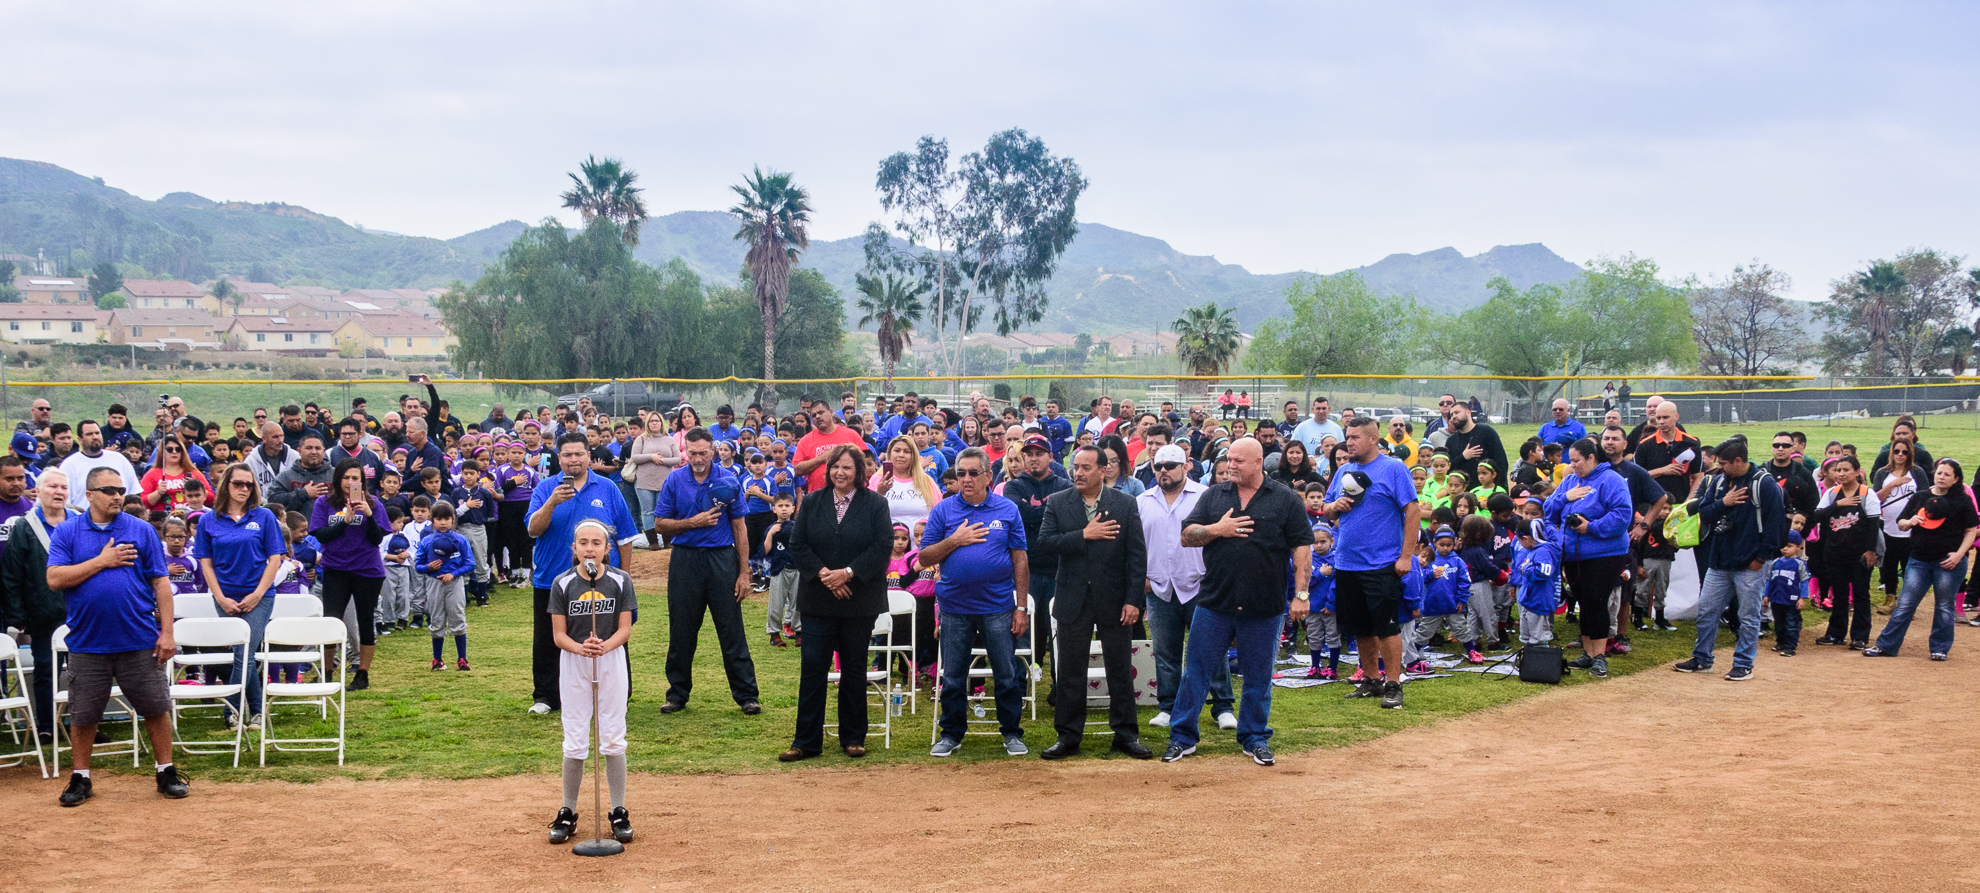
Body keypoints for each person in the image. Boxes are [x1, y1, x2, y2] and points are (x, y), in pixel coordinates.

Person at [1167, 438, 1313, 766]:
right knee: (1195, 672)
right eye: (1229, 459)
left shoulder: (1286, 499)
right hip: (1215, 601)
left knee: (1258, 677)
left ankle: (1254, 737)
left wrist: (1301, 594)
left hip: (1264, 605)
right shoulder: (1214, 495)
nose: (1230, 465)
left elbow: (1302, 548)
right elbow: (1187, 537)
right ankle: (1182, 737)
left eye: (1238, 461)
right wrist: (1218, 529)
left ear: (1259, 462)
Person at [46, 467, 186, 806]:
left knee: (155, 707)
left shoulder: (141, 529)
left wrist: (167, 632)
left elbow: (160, 582)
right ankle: (81, 777)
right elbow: (54, 579)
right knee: (84, 714)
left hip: (139, 637)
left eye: (120, 490)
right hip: (87, 641)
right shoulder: (68, 531)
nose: (117, 496)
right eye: (108, 490)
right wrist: (102, 561)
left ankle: (166, 771)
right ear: (89, 495)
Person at [1036, 445, 1151, 760]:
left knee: (1120, 669)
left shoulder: (1125, 504)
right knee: (1070, 671)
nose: (1078, 473)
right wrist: (1083, 535)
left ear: (1103, 470)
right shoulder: (1058, 502)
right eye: (1076, 467)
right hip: (1072, 598)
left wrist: (1133, 600)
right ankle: (1068, 737)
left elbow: (1137, 556)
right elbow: (1045, 544)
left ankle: (1126, 735)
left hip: (1115, 600)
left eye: (1086, 467)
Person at [781, 444, 893, 761]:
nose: (839, 472)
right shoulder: (813, 501)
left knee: (854, 669)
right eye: (835, 467)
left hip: (859, 600)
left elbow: (882, 545)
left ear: (859, 471)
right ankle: (806, 741)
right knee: (813, 667)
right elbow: (798, 544)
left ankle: (853, 737)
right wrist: (825, 575)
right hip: (818, 599)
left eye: (846, 467)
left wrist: (848, 574)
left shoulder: (875, 504)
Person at [922, 448, 1032, 758]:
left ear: (988, 476)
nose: (967, 479)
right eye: (961, 473)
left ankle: (1011, 733)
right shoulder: (943, 510)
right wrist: (955, 540)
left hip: (998, 607)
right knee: (953, 677)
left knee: (1006, 674)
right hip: (954, 607)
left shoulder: (1007, 509)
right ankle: (951, 734)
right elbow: (925, 557)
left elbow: (1020, 560)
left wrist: (1021, 607)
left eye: (973, 473)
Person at [526, 432, 641, 715]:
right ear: (559, 458)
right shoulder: (545, 488)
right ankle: (546, 696)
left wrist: (623, 579)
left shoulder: (608, 488)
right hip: (552, 579)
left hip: (601, 581)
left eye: (579, 454)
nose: (573, 459)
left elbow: (625, 537)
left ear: (589, 456)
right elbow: (533, 529)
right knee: (548, 639)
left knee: (608, 635)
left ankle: (617, 694)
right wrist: (552, 503)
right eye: (567, 455)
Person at [652, 428, 760, 715]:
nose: (698, 459)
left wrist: (743, 572)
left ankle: (747, 695)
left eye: (703, 453)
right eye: (693, 453)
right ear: (685, 452)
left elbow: (739, 527)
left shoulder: (728, 480)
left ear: (713, 450)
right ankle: (677, 694)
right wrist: (693, 522)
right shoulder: (675, 479)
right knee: (682, 629)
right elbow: (660, 523)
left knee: (731, 629)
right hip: (685, 559)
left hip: (721, 558)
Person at [545, 520, 638, 846]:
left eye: (596, 543)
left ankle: (618, 811)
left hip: (610, 659)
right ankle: (568, 811)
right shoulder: (562, 583)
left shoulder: (620, 580)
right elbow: (558, 635)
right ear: (574, 548)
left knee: (613, 735)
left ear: (606, 548)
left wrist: (605, 646)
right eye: (583, 542)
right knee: (574, 738)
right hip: (575, 661)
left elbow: (625, 628)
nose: (589, 548)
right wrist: (581, 647)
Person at [1324, 416, 1424, 710]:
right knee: (1361, 627)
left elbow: (1413, 511)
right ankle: (1371, 680)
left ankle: (1394, 684)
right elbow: (1327, 510)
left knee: (1386, 627)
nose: (1349, 442)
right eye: (1347, 437)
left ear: (1372, 438)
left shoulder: (1393, 468)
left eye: (1354, 437)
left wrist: (1406, 556)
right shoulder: (1344, 470)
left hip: (1381, 562)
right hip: (1347, 562)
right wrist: (1334, 506)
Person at [1136, 444, 1236, 729]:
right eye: (1158, 466)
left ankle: (1223, 707)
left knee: (1212, 648)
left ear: (1187, 466)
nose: (1163, 471)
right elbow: (1136, 544)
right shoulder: (1142, 501)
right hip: (1159, 587)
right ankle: (1168, 707)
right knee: (1165, 652)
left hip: (1200, 585)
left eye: (1170, 465)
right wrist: (1142, 576)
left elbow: (1221, 537)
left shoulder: (1205, 496)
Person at [1674, 439, 1785, 681]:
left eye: (1724, 463)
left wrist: (1761, 558)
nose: (1719, 467)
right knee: (1706, 611)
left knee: (1748, 616)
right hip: (1719, 560)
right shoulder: (1719, 482)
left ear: (1738, 460)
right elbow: (1703, 514)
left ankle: (1744, 664)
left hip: (1750, 562)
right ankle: (1702, 658)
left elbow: (1776, 524)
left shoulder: (1764, 484)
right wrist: (1723, 503)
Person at [193, 463, 289, 727]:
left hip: (260, 596)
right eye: (238, 483)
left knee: (244, 652)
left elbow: (275, 559)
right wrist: (220, 598)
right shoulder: (208, 520)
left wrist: (257, 595)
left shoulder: (264, 517)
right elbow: (206, 563)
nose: (244, 488)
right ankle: (257, 711)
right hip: (225, 596)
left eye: (249, 484)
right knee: (243, 654)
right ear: (226, 485)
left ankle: (231, 711)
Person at [1543, 438, 1635, 678]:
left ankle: (1599, 655)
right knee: (1583, 600)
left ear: (1591, 458)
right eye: (1570, 461)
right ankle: (1588, 652)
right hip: (1573, 553)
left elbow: (1622, 515)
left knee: (1596, 600)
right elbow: (1548, 510)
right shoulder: (1569, 481)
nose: (1572, 465)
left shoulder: (1612, 480)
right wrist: (1565, 497)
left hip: (1605, 553)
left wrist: (1591, 527)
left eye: (1576, 461)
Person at [1870, 460, 1978, 659]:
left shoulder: (1962, 500)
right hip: (1919, 560)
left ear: (1956, 479)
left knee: (1944, 607)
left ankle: (1939, 649)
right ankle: (1886, 646)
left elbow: (1971, 531)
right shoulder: (1920, 497)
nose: (1941, 477)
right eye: (1939, 473)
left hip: (1948, 562)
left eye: (1947, 474)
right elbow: (1901, 523)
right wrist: (1910, 521)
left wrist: (1959, 555)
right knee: (1905, 604)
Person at [0, 469, 75, 745]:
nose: (59, 492)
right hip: (43, 612)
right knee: (46, 670)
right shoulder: (24, 526)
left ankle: (84, 723)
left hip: (81, 611)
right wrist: (18, 616)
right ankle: (46, 725)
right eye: (53, 486)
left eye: (63, 487)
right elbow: (12, 574)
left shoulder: (79, 521)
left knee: (85, 670)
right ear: (39, 491)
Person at [310, 459, 391, 690]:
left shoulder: (374, 504)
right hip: (336, 569)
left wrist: (369, 515)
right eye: (346, 477)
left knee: (366, 620)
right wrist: (345, 521)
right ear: (338, 479)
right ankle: (327, 671)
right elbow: (321, 535)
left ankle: (362, 674)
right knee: (331, 620)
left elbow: (376, 539)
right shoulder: (324, 502)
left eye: (355, 478)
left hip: (367, 569)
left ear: (362, 481)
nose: (350, 482)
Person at [1811, 455, 1882, 650]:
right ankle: (1836, 633)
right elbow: (1817, 515)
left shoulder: (1867, 494)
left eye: (1846, 470)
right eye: (1838, 470)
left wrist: (1871, 551)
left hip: (1859, 554)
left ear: (1857, 472)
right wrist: (1838, 504)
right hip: (1835, 552)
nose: (1841, 474)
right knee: (1839, 594)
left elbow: (1873, 525)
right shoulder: (1832, 494)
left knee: (1860, 594)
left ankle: (1860, 636)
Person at [416, 501, 475, 670]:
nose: (443, 523)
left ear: (453, 519)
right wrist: (429, 567)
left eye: (447, 519)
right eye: (439, 519)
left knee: (457, 617)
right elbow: (418, 565)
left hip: (454, 583)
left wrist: (453, 574)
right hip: (434, 583)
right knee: (436, 619)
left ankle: (462, 659)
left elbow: (470, 564)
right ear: (432, 520)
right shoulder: (427, 541)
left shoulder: (460, 540)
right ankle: (437, 659)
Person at [1871, 440, 1930, 603]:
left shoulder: (1917, 472)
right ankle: (1890, 598)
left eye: (1905, 452)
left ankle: (1907, 601)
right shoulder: (1882, 473)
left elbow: (1924, 498)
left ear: (1910, 453)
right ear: (1891, 452)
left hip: (1911, 528)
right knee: (1889, 564)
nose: (1900, 455)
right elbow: (1876, 500)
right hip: (1887, 526)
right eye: (1896, 451)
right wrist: (1893, 484)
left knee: (1909, 567)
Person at [626, 412, 681, 551]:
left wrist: (662, 460)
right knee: (648, 512)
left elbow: (677, 459)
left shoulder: (669, 439)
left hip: (664, 482)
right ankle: (653, 542)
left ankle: (667, 540)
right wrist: (651, 457)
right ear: (647, 423)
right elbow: (635, 457)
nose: (654, 423)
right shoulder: (641, 439)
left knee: (664, 511)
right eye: (651, 421)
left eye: (657, 420)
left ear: (662, 423)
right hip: (644, 482)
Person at [56, 420, 141, 511]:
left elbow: (134, 493)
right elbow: (65, 503)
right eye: (89, 434)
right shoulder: (69, 465)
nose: (95, 437)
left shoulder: (119, 459)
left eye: (97, 433)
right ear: (80, 439)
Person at [1632, 402, 1701, 508]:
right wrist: (1663, 471)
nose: (1661, 422)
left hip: (1681, 503)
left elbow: (1698, 476)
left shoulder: (1691, 443)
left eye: (1665, 417)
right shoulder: (1644, 445)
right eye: (1658, 418)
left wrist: (1688, 502)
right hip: (1652, 505)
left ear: (1676, 417)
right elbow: (1636, 477)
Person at [793, 403, 866, 493]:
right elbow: (797, 470)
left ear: (831, 412)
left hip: (850, 494)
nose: (818, 417)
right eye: (814, 415)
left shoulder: (851, 435)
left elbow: (866, 461)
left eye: (821, 412)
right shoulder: (805, 441)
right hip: (818, 496)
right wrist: (820, 459)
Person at [1441, 400, 1506, 488]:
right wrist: (1463, 457)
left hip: (1486, 490)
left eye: (1457, 412)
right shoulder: (1451, 440)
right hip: (1461, 491)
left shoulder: (1486, 432)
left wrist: (1498, 488)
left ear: (1468, 412)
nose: (1454, 416)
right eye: (1451, 414)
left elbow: (1501, 462)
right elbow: (1447, 468)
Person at [1766, 532, 1811, 656]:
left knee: (1791, 623)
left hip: (1792, 600)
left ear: (1798, 547)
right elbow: (1769, 580)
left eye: (1789, 546)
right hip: (1776, 599)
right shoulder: (1775, 562)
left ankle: (1790, 646)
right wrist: (1766, 595)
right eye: (1783, 545)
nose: (1785, 548)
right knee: (1778, 623)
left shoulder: (1799, 563)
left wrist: (1802, 598)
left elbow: (1804, 581)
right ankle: (1781, 642)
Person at [243, 422, 297, 497]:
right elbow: (250, 491)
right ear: (264, 439)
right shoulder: (251, 461)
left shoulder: (294, 457)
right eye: (275, 437)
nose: (280, 440)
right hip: (263, 503)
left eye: (282, 436)